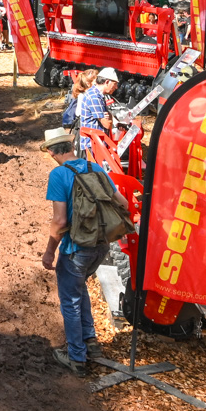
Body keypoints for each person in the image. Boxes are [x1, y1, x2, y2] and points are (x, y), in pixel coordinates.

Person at [40, 127, 122, 375]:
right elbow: (123, 203)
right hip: (101, 245)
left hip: (76, 249)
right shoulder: (96, 168)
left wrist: (49, 251)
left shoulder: (58, 175)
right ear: (72, 147)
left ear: (53, 152)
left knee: (70, 301)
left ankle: (76, 357)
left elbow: (60, 221)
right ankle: (91, 342)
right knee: (79, 288)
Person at [63, 67, 117, 142]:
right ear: (107, 82)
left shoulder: (97, 94)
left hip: (96, 140)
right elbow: (107, 125)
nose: (116, 87)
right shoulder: (94, 97)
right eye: (115, 84)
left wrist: (109, 117)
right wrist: (110, 119)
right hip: (93, 143)